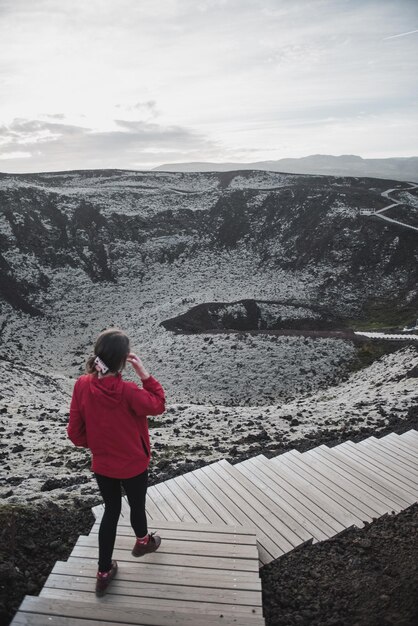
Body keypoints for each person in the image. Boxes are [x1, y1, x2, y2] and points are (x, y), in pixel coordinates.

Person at [67, 328, 166, 596]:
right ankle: (143, 542)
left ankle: (102, 572)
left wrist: (99, 444)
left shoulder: (81, 385)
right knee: (137, 504)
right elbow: (158, 405)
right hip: (134, 463)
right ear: (123, 361)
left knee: (111, 511)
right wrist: (144, 373)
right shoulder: (129, 391)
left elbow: (74, 433)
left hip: (103, 465)